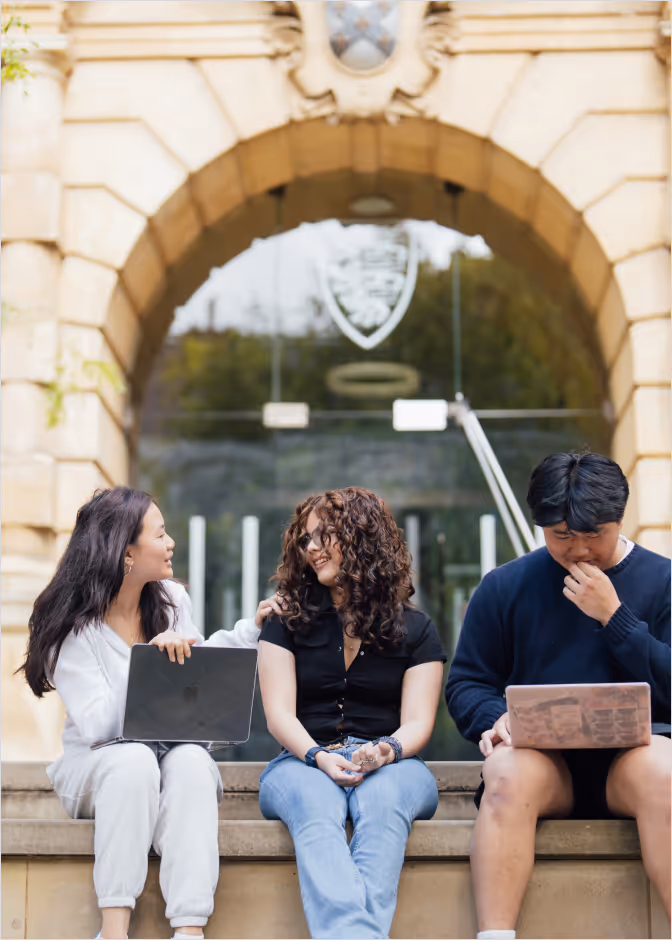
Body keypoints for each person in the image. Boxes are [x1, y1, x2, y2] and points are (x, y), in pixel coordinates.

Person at [20, 487, 278, 940]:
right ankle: (114, 929)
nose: (170, 542)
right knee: (133, 760)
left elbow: (196, 672)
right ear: (126, 553)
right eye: (160, 534)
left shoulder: (172, 601)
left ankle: (190, 928)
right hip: (97, 764)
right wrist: (149, 665)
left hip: (168, 747)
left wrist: (250, 631)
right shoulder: (72, 626)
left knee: (193, 761)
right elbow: (99, 724)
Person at [445, 453, 671, 940]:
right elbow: (465, 683)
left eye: (594, 534)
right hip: (544, 769)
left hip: (635, 764)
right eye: (562, 536)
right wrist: (495, 718)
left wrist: (616, 618)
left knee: (664, 770)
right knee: (505, 771)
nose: (580, 550)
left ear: (620, 518)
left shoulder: (663, 580)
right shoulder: (505, 587)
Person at [258, 487, 446, 940]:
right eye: (306, 539)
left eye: (326, 535)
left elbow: (419, 722)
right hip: (302, 761)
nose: (313, 548)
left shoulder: (416, 629)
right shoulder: (285, 622)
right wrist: (318, 757)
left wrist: (387, 751)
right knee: (314, 803)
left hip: (393, 764)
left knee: (384, 804)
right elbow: (279, 715)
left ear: (363, 537)